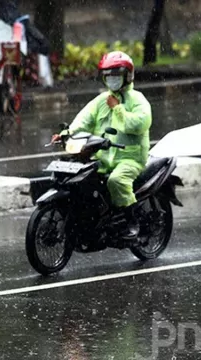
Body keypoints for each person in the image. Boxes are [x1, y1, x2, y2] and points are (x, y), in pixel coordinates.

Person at [51, 51, 152, 240]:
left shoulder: (138, 100)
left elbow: (139, 124)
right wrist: (65, 134)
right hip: (103, 156)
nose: (112, 80)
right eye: (108, 76)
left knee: (116, 181)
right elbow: (83, 120)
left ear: (127, 76)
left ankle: (132, 222)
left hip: (130, 158)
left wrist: (118, 108)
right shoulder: (101, 100)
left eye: (116, 75)